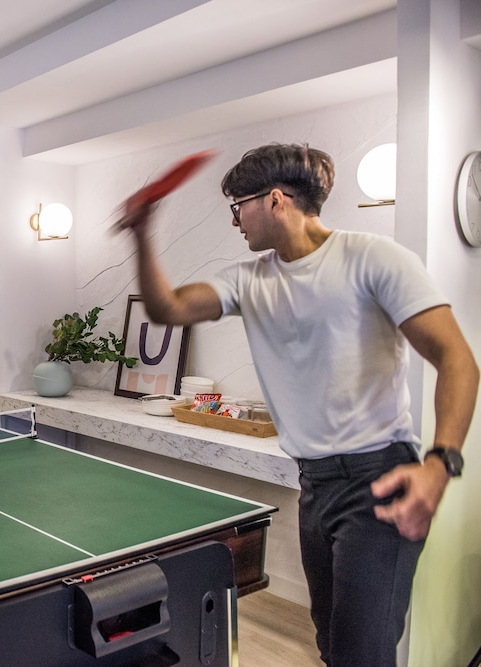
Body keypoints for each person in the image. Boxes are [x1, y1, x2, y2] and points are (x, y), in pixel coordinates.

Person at [124, 143, 478, 666]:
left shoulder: (373, 257)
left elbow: (457, 360)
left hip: (377, 480)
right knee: (332, 647)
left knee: (362, 655)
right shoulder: (249, 280)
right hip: (313, 483)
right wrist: (140, 231)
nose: (235, 221)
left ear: (274, 201)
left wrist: (440, 463)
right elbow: (167, 306)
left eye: (237, 206)